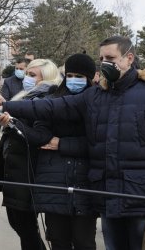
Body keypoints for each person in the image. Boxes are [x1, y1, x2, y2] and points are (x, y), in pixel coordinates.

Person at [0, 36, 145, 250]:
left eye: (111, 57)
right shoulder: (97, 95)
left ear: (129, 58)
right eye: (101, 58)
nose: (105, 63)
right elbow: (50, 107)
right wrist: (7, 106)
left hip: (143, 196)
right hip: (108, 196)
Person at [0, 58, 61, 250]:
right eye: (26, 74)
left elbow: (40, 136)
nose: (26, 78)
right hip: (15, 170)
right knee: (19, 224)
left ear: (45, 78)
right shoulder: (28, 95)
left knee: (25, 227)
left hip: (29, 172)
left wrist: (11, 123)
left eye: (32, 75)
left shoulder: (46, 100)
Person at [32, 54, 98, 250]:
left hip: (85, 182)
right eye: (69, 74)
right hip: (54, 181)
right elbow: (40, 132)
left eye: (79, 75)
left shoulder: (98, 103)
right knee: (58, 240)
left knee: (83, 241)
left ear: (89, 77)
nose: (73, 79)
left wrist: (61, 144)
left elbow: (97, 143)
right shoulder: (52, 100)